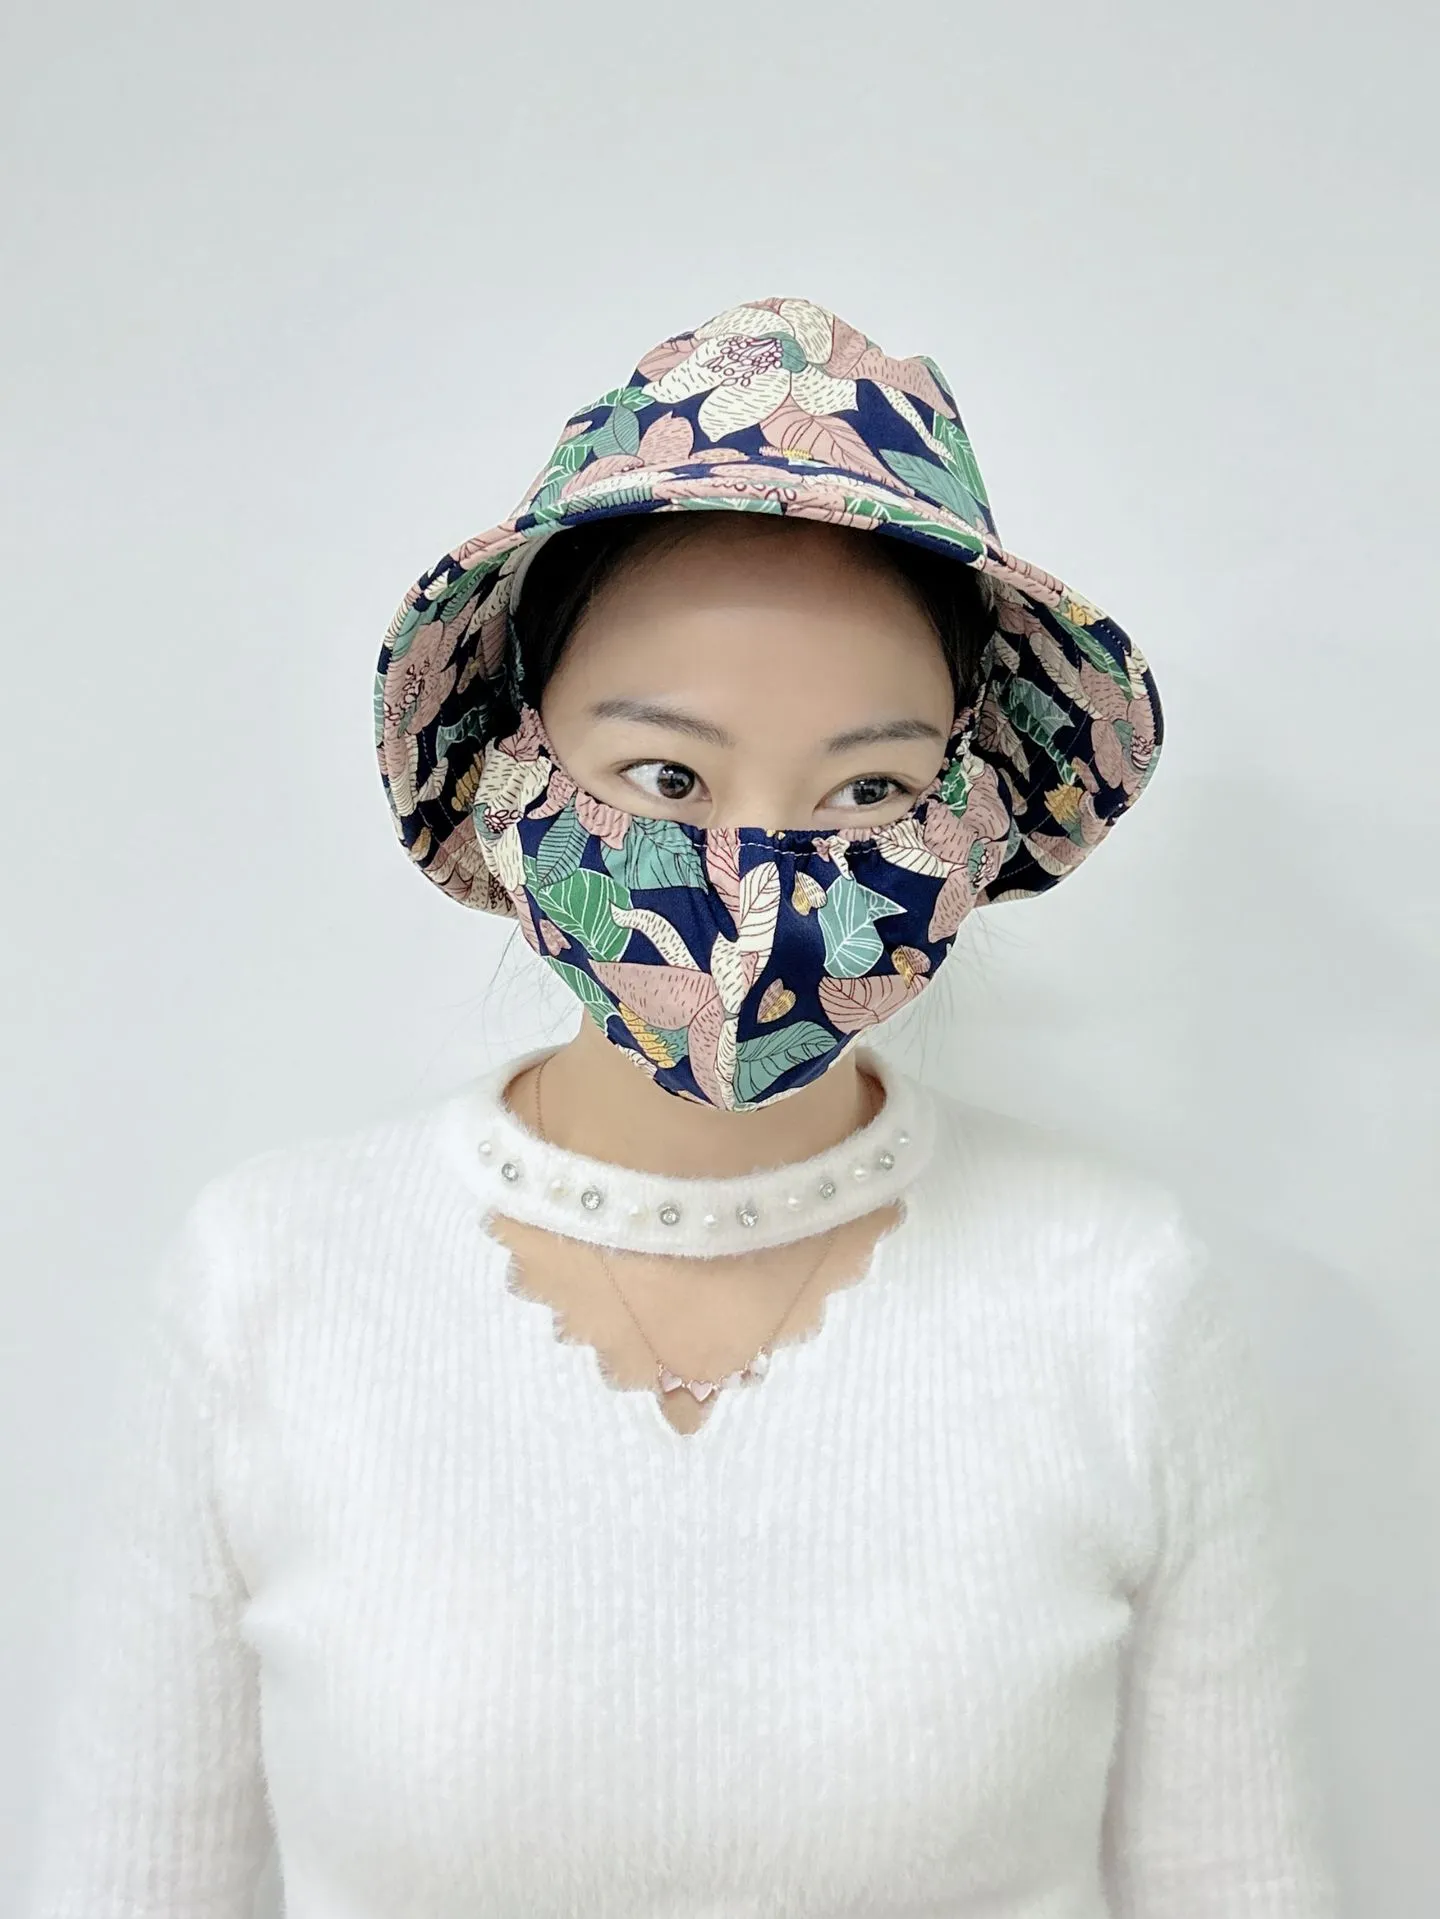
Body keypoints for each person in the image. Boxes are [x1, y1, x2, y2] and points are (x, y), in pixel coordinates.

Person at [22, 297, 1341, 1914]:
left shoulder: (1121, 1298)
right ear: (512, 766)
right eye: (666, 778)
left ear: (974, 812)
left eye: (869, 788)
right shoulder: (271, 1281)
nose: (760, 873)